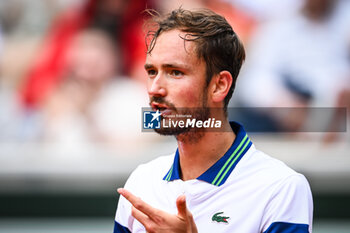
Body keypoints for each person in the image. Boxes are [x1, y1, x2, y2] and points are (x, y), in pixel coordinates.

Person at [114, 8, 313, 233]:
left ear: (219, 85)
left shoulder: (281, 187)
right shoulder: (141, 181)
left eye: (175, 72)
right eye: (152, 72)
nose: (154, 88)